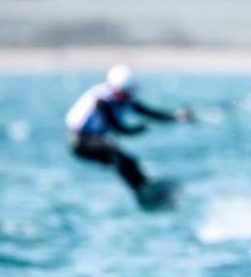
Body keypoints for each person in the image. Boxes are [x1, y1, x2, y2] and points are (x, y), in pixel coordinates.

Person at [65, 65, 195, 206]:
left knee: (128, 161)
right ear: (115, 89)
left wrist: (177, 117)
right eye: (124, 93)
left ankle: (145, 188)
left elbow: (150, 113)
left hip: (95, 139)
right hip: (80, 142)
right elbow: (117, 128)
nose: (126, 97)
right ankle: (141, 190)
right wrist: (138, 129)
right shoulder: (101, 100)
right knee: (118, 157)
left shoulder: (124, 99)